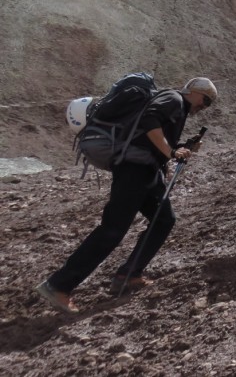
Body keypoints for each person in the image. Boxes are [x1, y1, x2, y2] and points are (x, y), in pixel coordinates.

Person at [36, 77, 217, 314]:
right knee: (112, 229)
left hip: (147, 171)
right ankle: (58, 285)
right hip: (134, 169)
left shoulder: (177, 107)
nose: (205, 106)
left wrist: (181, 147)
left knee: (164, 219)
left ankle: (129, 274)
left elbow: (151, 136)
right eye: (206, 100)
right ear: (193, 91)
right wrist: (172, 151)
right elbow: (149, 120)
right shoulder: (174, 98)